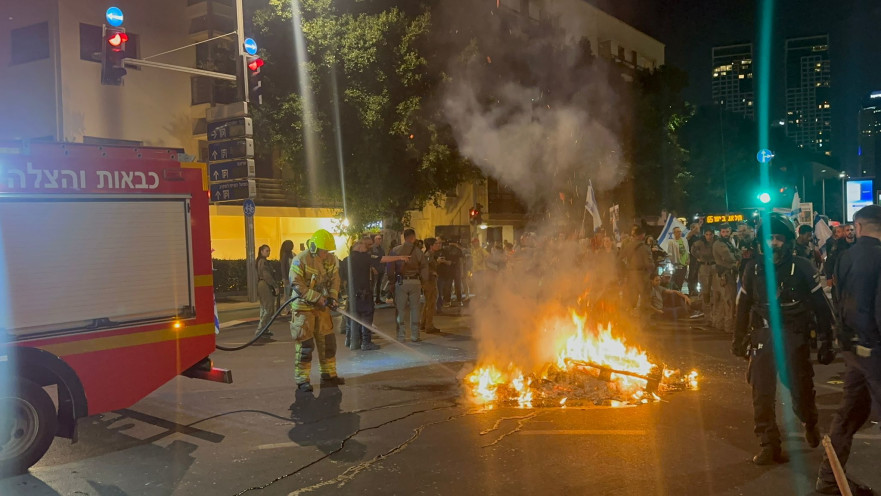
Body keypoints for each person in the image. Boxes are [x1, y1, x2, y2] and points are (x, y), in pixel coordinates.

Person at [732, 213, 835, 465]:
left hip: (794, 336)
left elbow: (822, 308)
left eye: (779, 238)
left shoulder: (802, 266)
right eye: (769, 238)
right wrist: (738, 338)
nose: (773, 243)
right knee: (761, 393)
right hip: (762, 335)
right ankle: (769, 443)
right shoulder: (752, 268)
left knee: (800, 390)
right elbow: (743, 306)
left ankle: (809, 422)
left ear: (787, 241)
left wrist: (826, 342)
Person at [816, 205, 881, 496]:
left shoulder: (843, 258)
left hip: (853, 350)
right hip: (876, 350)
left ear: (858, 226)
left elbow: (838, 303)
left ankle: (829, 480)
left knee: (849, 413)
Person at [289, 229, 344, 392]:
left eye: (328, 251)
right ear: (314, 247)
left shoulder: (331, 260)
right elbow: (298, 285)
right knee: (305, 345)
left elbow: (335, 280)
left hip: (322, 307)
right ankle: (302, 380)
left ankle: (328, 374)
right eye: (324, 250)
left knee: (328, 342)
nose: (326, 254)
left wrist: (333, 298)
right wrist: (319, 298)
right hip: (303, 307)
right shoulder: (300, 260)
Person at [387, 228, 428, 342]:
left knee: (400, 310)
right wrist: (424, 282)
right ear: (413, 237)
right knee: (415, 309)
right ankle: (415, 335)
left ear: (404, 237)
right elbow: (424, 267)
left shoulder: (395, 250)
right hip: (415, 282)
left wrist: (391, 282)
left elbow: (390, 269)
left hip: (401, 282)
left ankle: (401, 336)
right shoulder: (419, 252)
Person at [344, 235, 381, 351]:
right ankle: (366, 342)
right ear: (359, 247)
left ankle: (352, 341)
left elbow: (343, 277)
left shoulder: (347, 260)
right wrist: (400, 257)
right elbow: (382, 259)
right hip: (364, 294)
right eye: (366, 246)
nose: (368, 248)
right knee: (366, 317)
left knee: (353, 317)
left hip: (352, 294)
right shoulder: (365, 258)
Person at [712, 222, 741, 332]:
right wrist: (738, 255)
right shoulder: (720, 244)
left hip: (726, 274)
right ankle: (728, 326)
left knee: (723, 301)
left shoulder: (728, 243)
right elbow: (730, 258)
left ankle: (719, 324)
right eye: (723, 232)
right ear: (720, 232)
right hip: (725, 275)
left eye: (727, 231)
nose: (725, 234)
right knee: (728, 301)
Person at [256, 244, 280, 337]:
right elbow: (267, 275)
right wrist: (275, 286)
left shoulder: (261, 261)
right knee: (268, 308)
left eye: (269, 250)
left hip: (263, 284)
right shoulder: (263, 262)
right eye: (266, 250)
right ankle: (261, 329)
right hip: (265, 285)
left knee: (264, 308)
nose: (268, 252)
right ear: (261, 251)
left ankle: (264, 329)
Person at [691, 226, 716, 314]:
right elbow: (693, 250)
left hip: (714, 266)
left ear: (713, 234)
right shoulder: (700, 243)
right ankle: (705, 312)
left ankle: (713, 311)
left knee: (715, 289)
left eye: (710, 234)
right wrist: (699, 257)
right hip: (704, 266)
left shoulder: (716, 242)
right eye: (707, 234)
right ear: (704, 235)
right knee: (705, 290)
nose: (709, 236)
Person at [420, 237, 442, 334]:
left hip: (429, 281)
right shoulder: (428, 255)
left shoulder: (430, 255)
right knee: (431, 303)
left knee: (428, 303)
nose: (438, 245)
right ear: (431, 246)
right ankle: (429, 326)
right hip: (429, 282)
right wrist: (433, 272)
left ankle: (423, 323)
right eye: (436, 244)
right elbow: (424, 268)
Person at [663, 226, 690, 291]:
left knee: (681, 279)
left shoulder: (684, 240)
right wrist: (673, 262)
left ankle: (679, 291)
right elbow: (670, 253)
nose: (679, 233)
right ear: (674, 233)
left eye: (680, 231)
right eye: (677, 232)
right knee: (675, 279)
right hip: (676, 263)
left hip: (684, 263)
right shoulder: (671, 242)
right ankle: (674, 292)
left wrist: (688, 259)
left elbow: (687, 251)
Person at [279, 240, 296, 316]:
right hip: (288, 278)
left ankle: (291, 308)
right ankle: (287, 309)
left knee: (293, 294)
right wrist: (285, 278)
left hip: (294, 277)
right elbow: (283, 268)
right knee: (287, 294)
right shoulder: (285, 255)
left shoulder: (293, 254)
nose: (292, 246)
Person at [371, 234, 385, 304]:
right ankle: (371, 300)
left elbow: (383, 258)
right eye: (378, 239)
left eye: (380, 239)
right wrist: (373, 268)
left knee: (379, 285)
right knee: (373, 285)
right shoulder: (372, 248)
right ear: (375, 240)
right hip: (375, 269)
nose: (380, 240)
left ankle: (378, 298)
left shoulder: (382, 249)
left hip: (381, 269)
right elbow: (370, 259)